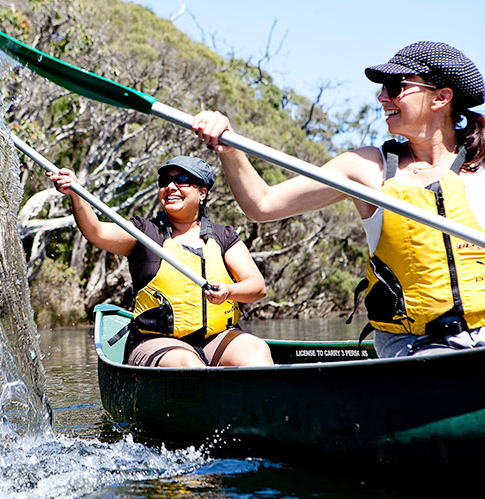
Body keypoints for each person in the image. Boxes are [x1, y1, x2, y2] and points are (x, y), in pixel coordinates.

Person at [192, 41, 485, 358]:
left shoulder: (480, 168)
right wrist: (230, 147)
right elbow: (262, 205)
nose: (382, 97)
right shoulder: (367, 169)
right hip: (416, 347)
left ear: (441, 97)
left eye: (395, 86)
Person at [47, 155, 274, 367]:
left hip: (215, 338)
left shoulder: (223, 236)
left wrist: (229, 291)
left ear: (202, 192)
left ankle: (261, 408)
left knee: (257, 351)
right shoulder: (145, 233)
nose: (171, 187)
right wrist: (76, 193)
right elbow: (95, 231)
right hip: (155, 341)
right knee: (188, 363)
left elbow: (257, 286)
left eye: (182, 180)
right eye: (165, 181)